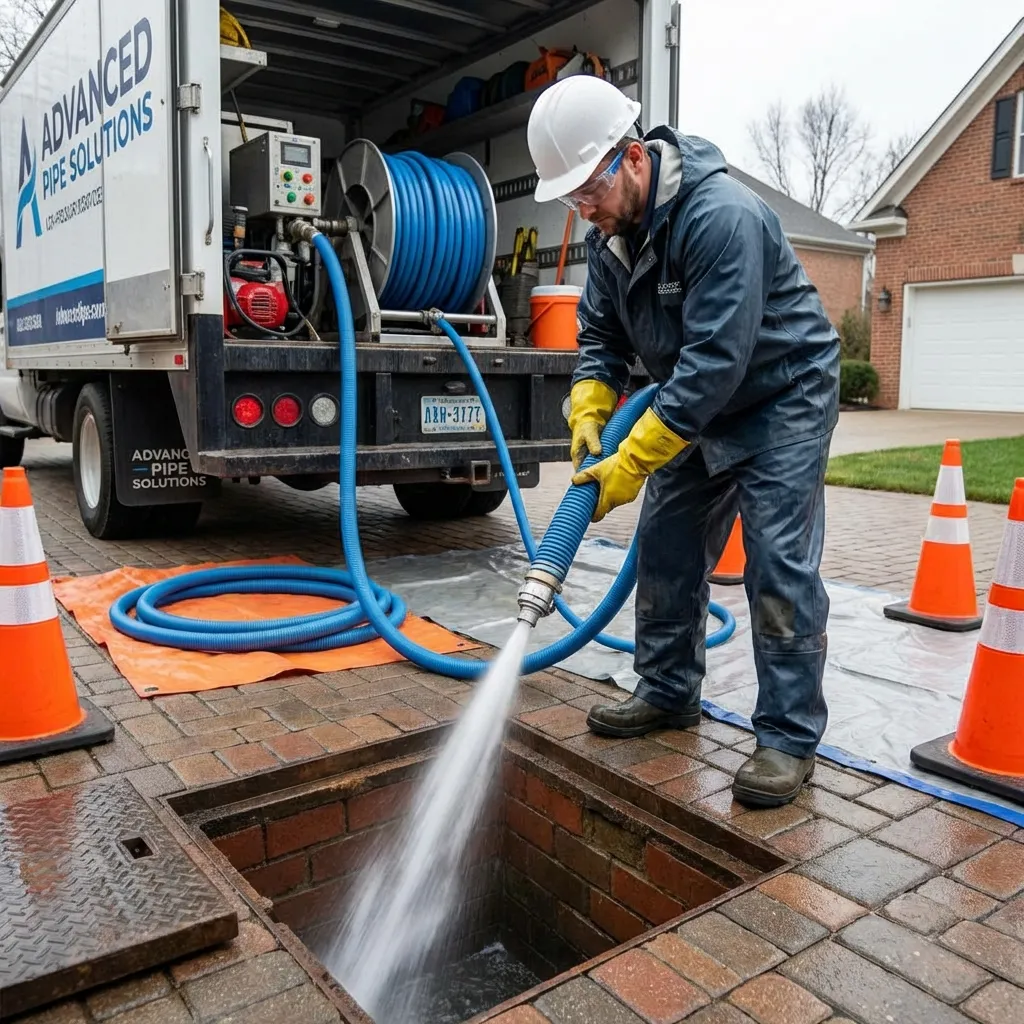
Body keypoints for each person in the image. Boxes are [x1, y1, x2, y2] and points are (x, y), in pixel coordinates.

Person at [526, 75, 840, 809]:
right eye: (571, 198)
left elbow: (715, 363)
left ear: (633, 157)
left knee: (777, 562)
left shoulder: (720, 217)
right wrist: (589, 409)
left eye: (588, 190)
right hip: (695, 399)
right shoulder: (612, 240)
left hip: (780, 395)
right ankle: (668, 689)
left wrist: (632, 460)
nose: (584, 210)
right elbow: (600, 338)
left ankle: (788, 737)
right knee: (667, 541)